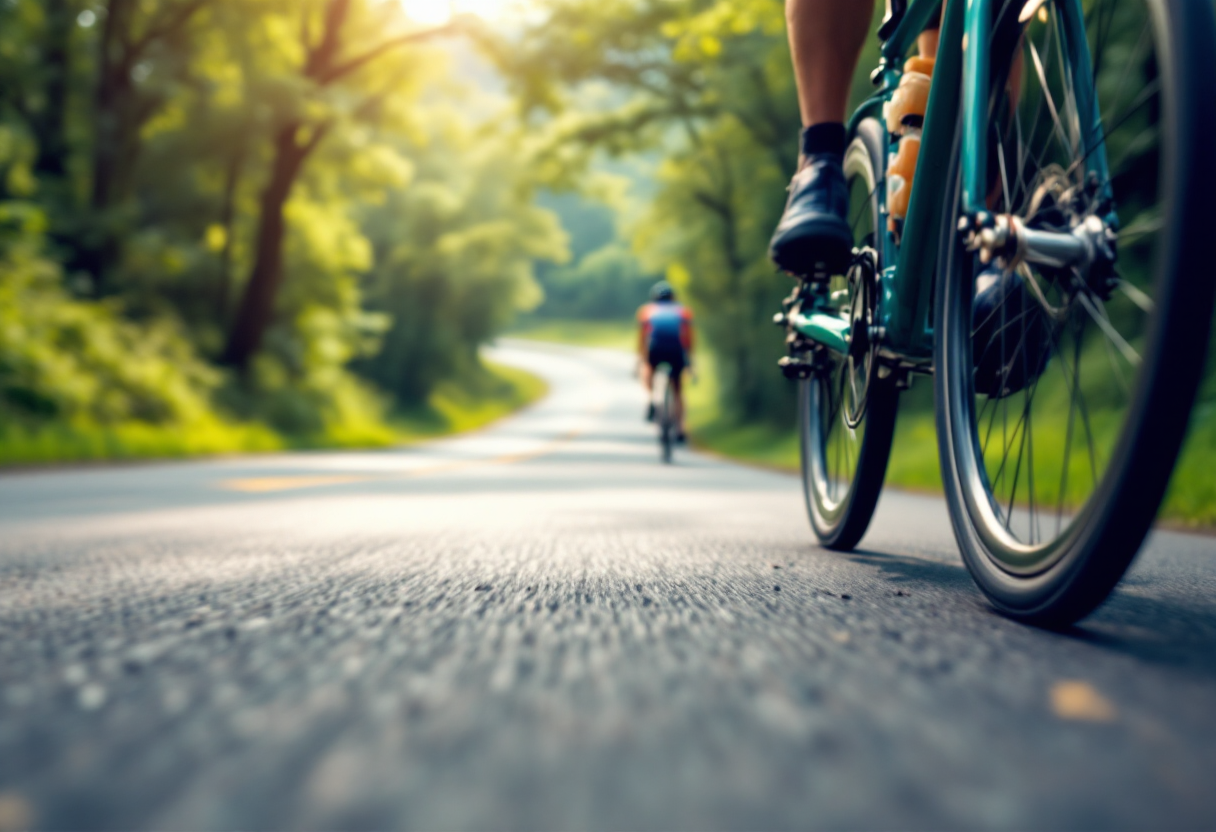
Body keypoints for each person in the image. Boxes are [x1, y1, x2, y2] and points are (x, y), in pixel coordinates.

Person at [637, 281, 695, 443]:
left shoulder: (646, 311)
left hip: (655, 349)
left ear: (654, 298)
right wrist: (690, 360)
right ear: (673, 297)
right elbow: (689, 338)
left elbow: (642, 338)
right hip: (676, 350)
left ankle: (650, 398)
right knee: (677, 390)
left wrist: (641, 359)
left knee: (648, 369)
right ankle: (681, 428)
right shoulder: (683, 312)